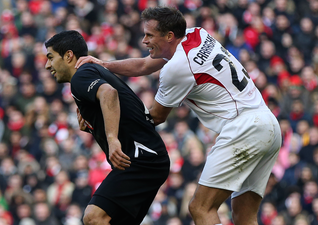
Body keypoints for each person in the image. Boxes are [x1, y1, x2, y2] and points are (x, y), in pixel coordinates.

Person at [75, 6, 282, 225]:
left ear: (169, 36)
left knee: (200, 208)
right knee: (244, 215)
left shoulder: (177, 68)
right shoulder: (197, 33)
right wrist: (105, 65)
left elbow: (155, 117)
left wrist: (101, 118)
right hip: (268, 124)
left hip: (244, 128)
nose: (144, 41)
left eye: (149, 35)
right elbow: (145, 64)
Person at [44, 30, 170, 225]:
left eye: (51, 57)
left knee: (94, 217)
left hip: (141, 159)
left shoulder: (81, 76)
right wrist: (94, 125)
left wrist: (112, 139)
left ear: (68, 56)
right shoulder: (91, 72)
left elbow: (109, 94)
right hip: (149, 159)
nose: (47, 65)